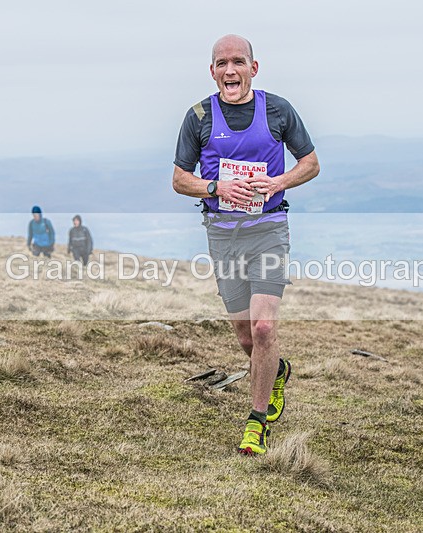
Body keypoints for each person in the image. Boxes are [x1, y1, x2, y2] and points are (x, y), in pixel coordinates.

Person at [172, 34, 320, 455]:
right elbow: (180, 180)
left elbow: (310, 163)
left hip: (269, 228)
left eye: (238, 61)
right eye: (222, 63)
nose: (230, 70)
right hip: (222, 235)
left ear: (254, 68)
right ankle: (276, 372)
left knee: (263, 326)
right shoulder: (198, 116)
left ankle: (256, 425)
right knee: (245, 337)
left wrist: (279, 181)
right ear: (213, 71)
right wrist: (217, 186)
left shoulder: (277, 110)